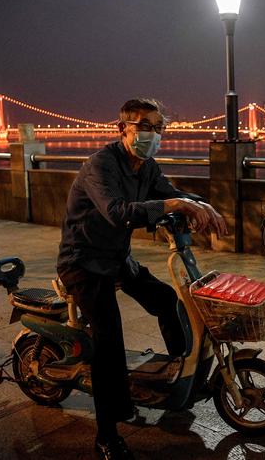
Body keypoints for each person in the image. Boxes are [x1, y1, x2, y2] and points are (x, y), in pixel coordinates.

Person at [56, 98, 227, 459]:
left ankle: (178, 378)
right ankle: (106, 434)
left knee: (166, 300)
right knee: (108, 340)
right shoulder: (100, 165)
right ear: (123, 128)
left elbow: (170, 194)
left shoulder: (146, 166)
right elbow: (118, 213)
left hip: (117, 258)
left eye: (158, 128)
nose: (152, 134)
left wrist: (202, 204)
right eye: (145, 126)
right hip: (83, 262)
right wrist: (173, 206)